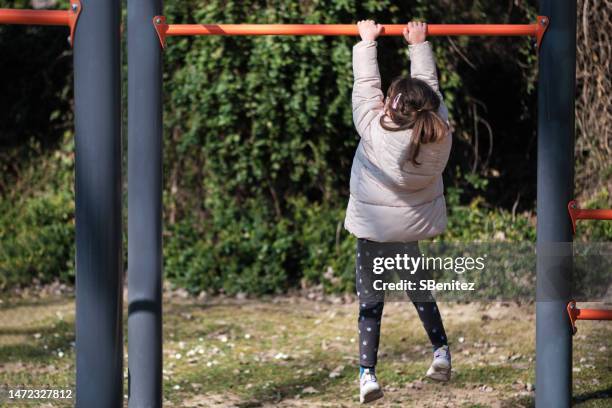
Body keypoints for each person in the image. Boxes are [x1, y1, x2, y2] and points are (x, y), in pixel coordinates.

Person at [345, 20, 453, 404]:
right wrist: (419, 45)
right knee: (420, 292)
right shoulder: (440, 133)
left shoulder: (372, 129)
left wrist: (367, 42)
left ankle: (367, 374)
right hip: (410, 229)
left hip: (374, 230)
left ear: (390, 104)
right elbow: (431, 93)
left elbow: (364, 87)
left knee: (370, 303)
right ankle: (441, 351)